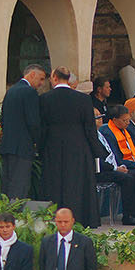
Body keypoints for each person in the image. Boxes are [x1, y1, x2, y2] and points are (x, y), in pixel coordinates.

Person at [39, 68, 107, 227]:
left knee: (55, 185)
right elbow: (90, 128)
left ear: (54, 78)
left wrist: (41, 149)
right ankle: (81, 219)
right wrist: (96, 151)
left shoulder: (44, 99)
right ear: (68, 79)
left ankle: (55, 220)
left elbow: (42, 128)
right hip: (79, 147)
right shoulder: (83, 99)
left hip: (53, 147)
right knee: (77, 184)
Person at [0, 65, 45, 199]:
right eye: (41, 79)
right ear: (31, 75)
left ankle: (5, 217)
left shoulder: (11, 91)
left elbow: (3, 119)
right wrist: (38, 141)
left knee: (8, 186)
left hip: (8, 146)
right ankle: (15, 218)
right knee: (20, 187)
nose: (42, 83)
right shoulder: (29, 92)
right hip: (22, 147)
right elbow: (33, 122)